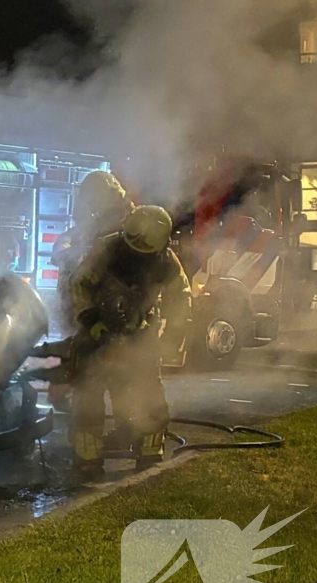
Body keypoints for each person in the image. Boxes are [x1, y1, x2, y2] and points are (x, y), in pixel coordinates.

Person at [67, 205, 192, 472]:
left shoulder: (165, 262)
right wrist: (92, 320)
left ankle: (149, 449)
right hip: (98, 329)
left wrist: (172, 335)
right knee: (88, 389)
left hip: (141, 332)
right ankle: (88, 456)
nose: (137, 258)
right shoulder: (105, 251)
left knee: (149, 392)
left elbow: (181, 297)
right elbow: (79, 283)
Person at [47, 171, 135, 411]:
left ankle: (117, 413)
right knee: (77, 352)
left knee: (112, 363)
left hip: (108, 303)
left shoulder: (127, 226)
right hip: (80, 304)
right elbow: (63, 249)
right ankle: (69, 398)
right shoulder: (86, 228)